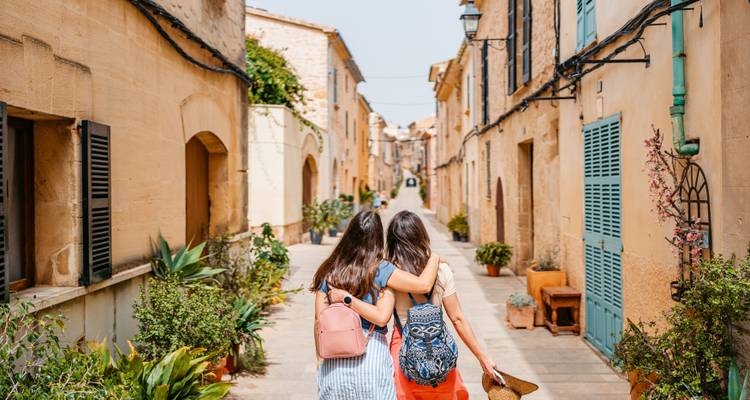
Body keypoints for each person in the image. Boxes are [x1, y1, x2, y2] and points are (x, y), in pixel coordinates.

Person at [330, 210, 499, 400]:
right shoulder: (441, 270)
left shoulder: (389, 272)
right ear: (422, 236)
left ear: (392, 241)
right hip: (439, 354)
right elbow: (458, 318)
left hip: (403, 351)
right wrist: (482, 357)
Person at [312, 210, 441, 400]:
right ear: (378, 238)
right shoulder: (381, 269)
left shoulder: (329, 271)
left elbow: (318, 323)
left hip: (333, 361)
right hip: (371, 357)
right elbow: (423, 285)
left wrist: (319, 359)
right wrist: (435, 258)